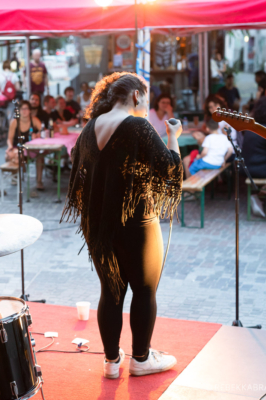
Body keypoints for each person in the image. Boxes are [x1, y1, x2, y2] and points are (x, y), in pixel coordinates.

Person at [62, 72, 182, 379]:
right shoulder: (138, 125)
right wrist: (173, 138)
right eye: (146, 98)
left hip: (98, 224)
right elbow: (170, 168)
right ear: (136, 96)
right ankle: (141, 359)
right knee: (144, 289)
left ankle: (111, 362)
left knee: (111, 291)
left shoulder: (90, 127)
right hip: (137, 222)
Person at [242, 97, 266, 217]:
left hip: (248, 167)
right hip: (261, 169)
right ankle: (260, 196)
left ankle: (259, 196)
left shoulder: (254, 128)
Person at [5, 100, 43, 190]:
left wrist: (37, 135)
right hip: (17, 148)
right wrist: (9, 146)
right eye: (22, 109)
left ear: (30, 110)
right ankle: (14, 175)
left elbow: (44, 131)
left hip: (31, 149)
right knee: (11, 154)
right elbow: (9, 139)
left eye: (26, 108)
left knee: (40, 157)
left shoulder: (34, 120)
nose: (24, 111)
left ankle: (39, 181)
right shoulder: (14, 122)